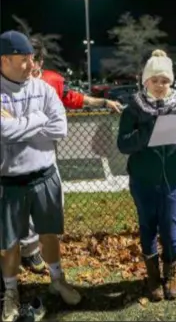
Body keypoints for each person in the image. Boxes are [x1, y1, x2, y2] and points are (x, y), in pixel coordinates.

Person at [19, 38, 123, 274]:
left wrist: (105, 101)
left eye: (31, 60)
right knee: (20, 205)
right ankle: (26, 251)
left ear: (39, 62)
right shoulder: (9, 83)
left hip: (45, 153)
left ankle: (38, 249)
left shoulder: (51, 81)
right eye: (21, 59)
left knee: (51, 203)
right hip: (14, 156)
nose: (26, 66)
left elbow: (74, 98)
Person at [0, 30, 81, 322]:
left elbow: (60, 129)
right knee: (8, 243)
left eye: (32, 58)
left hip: (45, 174)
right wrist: (37, 120)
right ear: (5, 59)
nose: (31, 64)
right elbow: (3, 132)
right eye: (24, 59)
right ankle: (10, 293)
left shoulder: (42, 88)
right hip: (8, 181)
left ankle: (57, 279)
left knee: (49, 233)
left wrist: (21, 125)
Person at [117, 49, 176, 301]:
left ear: (171, 81)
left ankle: (170, 273)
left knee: (171, 230)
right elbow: (123, 144)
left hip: (173, 181)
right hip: (143, 181)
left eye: (164, 80)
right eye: (154, 80)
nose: (159, 85)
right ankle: (153, 276)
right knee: (147, 228)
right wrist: (149, 132)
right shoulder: (134, 108)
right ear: (145, 81)